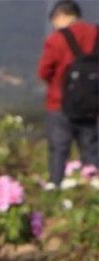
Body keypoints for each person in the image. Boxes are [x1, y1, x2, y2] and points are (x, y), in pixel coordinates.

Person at [38, 0, 99, 186]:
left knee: (59, 148)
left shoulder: (56, 40)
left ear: (60, 16)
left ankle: (55, 186)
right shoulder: (96, 35)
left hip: (60, 103)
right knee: (91, 148)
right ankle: (93, 186)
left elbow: (44, 71)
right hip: (92, 103)